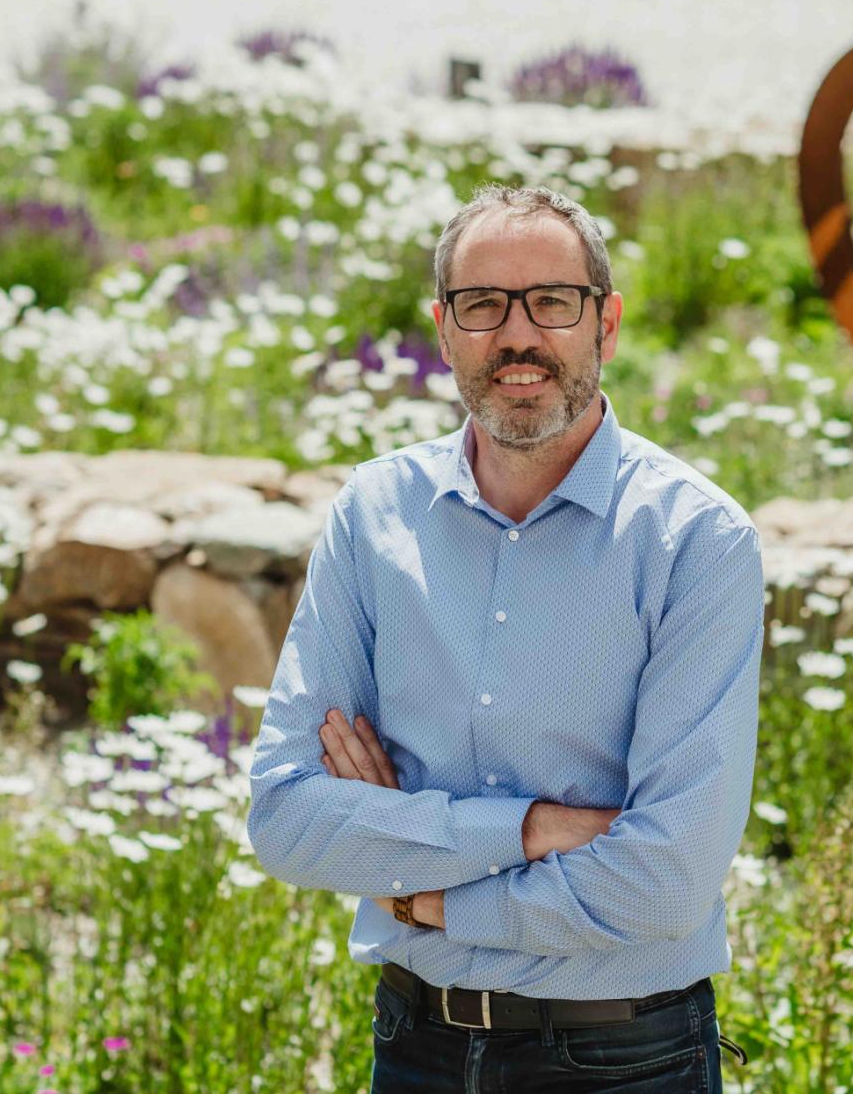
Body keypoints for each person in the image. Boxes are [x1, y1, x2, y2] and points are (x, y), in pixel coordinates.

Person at [247, 183, 761, 1092]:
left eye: (553, 302)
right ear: (444, 332)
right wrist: (528, 831)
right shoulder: (375, 518)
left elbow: (668, 879)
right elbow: (288, 819)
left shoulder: (696, 542)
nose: (518, 336)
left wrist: (425, 892)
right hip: (417, 1048)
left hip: (624, 1060)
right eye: (483, 305)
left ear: (605, 325)